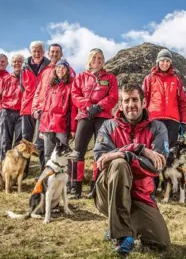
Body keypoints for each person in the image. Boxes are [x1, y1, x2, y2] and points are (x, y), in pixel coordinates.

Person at [93, 84, 170, 255]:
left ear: (143, 103)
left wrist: (126, 154)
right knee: (118, 165)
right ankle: (122, 235)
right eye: (126, 100)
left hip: (141, 195)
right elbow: (101, 158)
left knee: (161, 243)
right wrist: (138, 149)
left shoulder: (158, 128)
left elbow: (157, 166)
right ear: (120, 105)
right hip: (108, 194)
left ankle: (119, 226)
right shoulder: (108, 126)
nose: (131, 104)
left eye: (135, 99)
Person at [71, 48, 118, 199]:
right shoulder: (81, 77)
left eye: (100, 58)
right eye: (94, 58)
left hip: (103, 116)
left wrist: (99, 106)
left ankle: (96, 188)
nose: (97, 60)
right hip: (85, 115)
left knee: (100, 152)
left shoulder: (110, 77)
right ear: (89, 60)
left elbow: (113, 96)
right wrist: (88, 106)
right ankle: (75, 187)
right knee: (78, 152)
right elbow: (75, 94)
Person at [142, 48, 186, 190]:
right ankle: (152, 184)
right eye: (162, 60)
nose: (165, 63)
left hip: (173, 120)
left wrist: (183, 121)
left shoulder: (176, 80)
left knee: (171, 153)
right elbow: (145, 100)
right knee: (154, 150)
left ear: (170, 63)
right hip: (154, 119)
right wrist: (144, 118)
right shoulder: (149, 78)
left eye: (167, 61)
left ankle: (169, 185)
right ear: (158, 62)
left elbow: (182, 102)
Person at [20, 41, 51, 176]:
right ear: (31, 52)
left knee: (41, 141)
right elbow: (22, 86)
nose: (37, 53)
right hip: (27, 107)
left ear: (44, 52)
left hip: (42, 109)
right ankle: (23, 171)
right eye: (34, 51)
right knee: (25, 139)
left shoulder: (49, 66)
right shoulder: (24, 67)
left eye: (39, 51)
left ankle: (43, 171)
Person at [38, 59, 77, 164]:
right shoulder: (50, 85)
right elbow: (45, 107)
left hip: (61, 125)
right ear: (55, 69)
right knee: (48, 153)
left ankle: (64, 177)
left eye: (63, 67)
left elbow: (73, 108)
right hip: (47, 124)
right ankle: (48, 178)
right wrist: (41, 128)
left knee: (63, 153)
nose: (60, 69)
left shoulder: (71, 86)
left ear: (67, 70)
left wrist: (73, 129)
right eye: (59, 67)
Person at [0, 54, 25, 161]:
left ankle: (16, 164)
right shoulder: (6, 78)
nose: (17, 63)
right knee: (5, 140)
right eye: (15, 62)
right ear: (11, 64)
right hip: (6, 112)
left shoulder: (26, 77)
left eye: (19, 61)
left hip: (21, 113)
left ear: (23, 63)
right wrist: (1, 109)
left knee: (19, 140)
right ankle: (4, 165)